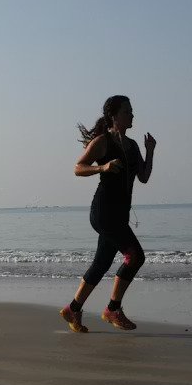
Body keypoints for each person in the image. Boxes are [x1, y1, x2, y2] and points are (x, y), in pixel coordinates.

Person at [61, 95, 156, 332]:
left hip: (120, 214)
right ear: (114, 116)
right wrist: (102, 167)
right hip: (104, 212)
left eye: (132, 111)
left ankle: (73, 309)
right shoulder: (103, 142)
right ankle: (113, 308)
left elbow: (143, 177)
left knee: (101, 263)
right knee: (135, 257)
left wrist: (150, 151)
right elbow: (78, 168)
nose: (132, 115)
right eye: (127, 111)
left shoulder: (133, 146)